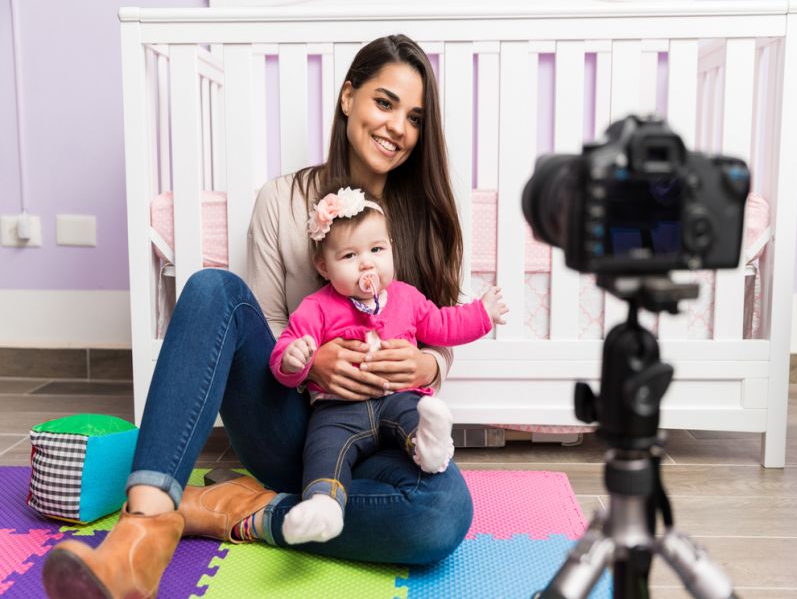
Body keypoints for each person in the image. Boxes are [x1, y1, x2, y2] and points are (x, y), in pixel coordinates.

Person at [42, 34, 475, 599]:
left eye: (415, 117)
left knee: (442, 513)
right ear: (348, 98)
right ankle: (141, 532)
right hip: (300, 430)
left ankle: (237, 509)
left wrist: (423, 366)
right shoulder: (281, 200)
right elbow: (265, 325)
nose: (397, 127)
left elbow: (442, 341)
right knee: (213, 288)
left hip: (395, 434)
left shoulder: (430, 218)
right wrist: (313, 361)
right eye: (384, 102)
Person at [273, 185, 507, 545]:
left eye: (377, 250)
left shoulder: (406, 297)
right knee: (323, 447)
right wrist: (294, 358)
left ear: (392, 250)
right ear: (324, 266)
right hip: (338, 410)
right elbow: (287, 346)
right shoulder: (316, 307)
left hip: (397, 398)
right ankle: (324, 504)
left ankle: (428, 446)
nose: (367, 263)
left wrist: (482, 314)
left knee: (412, 412)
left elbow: (444, 325)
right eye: (349, 255)